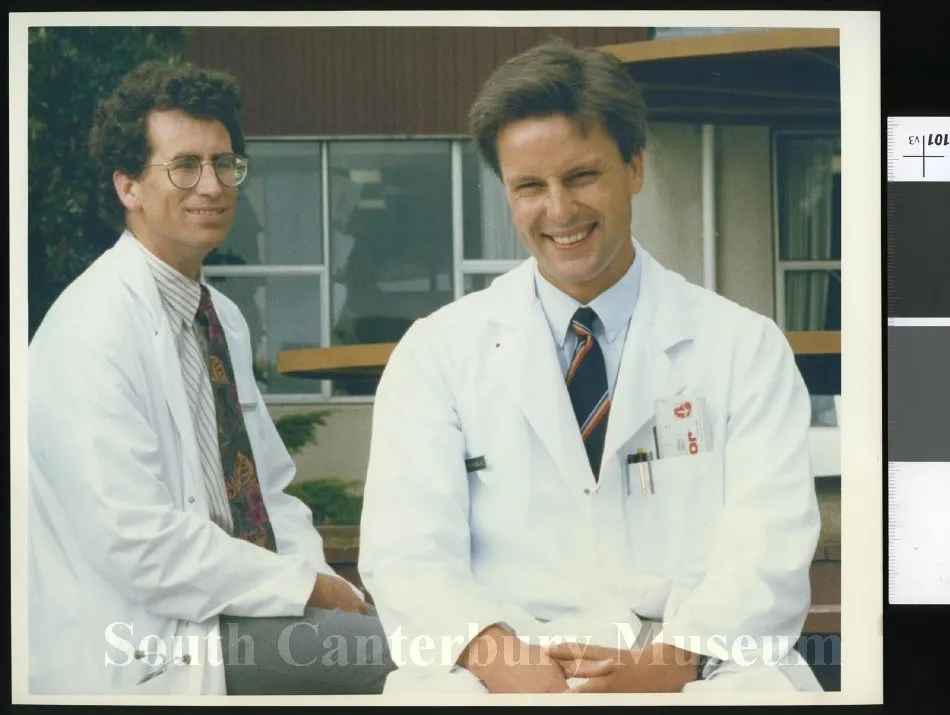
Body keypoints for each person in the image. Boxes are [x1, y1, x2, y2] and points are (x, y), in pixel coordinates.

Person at [358, 39, 824, 695]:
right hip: (506, 666)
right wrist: (505, 660)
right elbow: (406, 552)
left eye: (581, 176)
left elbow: (769, 547)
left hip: (698, 663)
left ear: (634, 167)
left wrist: (667, 662)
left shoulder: (744, 346)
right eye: (529, 186)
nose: (559, 210)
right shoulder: (437, 352)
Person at [27, 60, 394, 696]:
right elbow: (137, 542)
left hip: (239, 616)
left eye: (225, 163)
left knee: (418, 639)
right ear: (128, 187)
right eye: (185, 165)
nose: (212, 185)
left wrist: (315, 582)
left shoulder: (217, 315)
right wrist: (302, 586)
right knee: (419, 656)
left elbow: (268, 492)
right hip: (146, 641)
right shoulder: (88, 330)